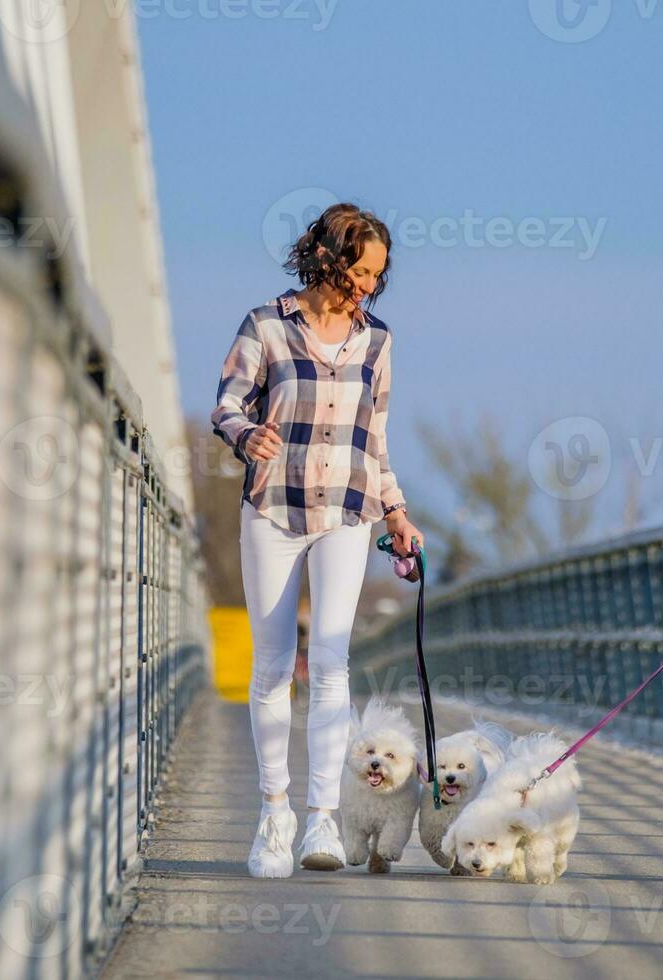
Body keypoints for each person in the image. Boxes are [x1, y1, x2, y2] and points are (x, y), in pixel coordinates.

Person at [211, 202, 425, 878]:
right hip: (273, 507)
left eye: (377, 276)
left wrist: (396, 512)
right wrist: (247, 434)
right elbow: (226, 404)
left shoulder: (379, 342)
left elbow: (376, 441)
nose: (368, 285)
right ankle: (274, 814)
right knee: (274, 667)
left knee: (332, 661)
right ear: (328, 257)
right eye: (360, 270)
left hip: (349, 511)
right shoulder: (267, 325)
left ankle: (320, 822)